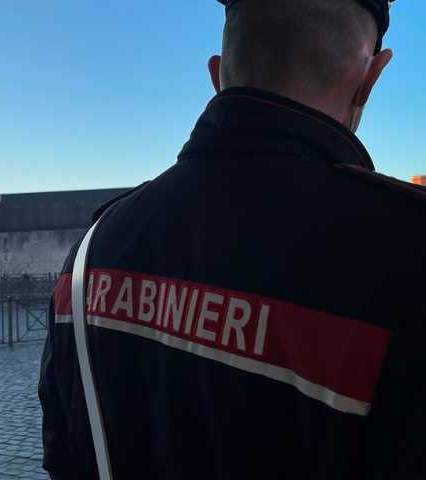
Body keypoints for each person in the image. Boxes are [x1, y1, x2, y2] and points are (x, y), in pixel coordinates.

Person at [39, 0, 426, 478]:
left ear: (218, 76)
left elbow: (64, 457)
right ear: (370, 78)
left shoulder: (92, 250)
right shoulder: (406, 250)